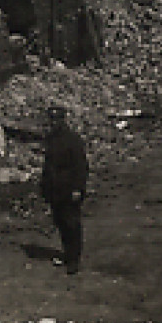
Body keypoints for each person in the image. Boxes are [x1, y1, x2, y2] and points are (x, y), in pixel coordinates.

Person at [40, 105, 89, 274]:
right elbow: (48, 166)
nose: (52, 123)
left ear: (62, 120)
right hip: (55, 188)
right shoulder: (51, 139)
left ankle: (74, 259)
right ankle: (67, 254)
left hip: (69, 188)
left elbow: (81, 166)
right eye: (50, 119)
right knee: (60, 222)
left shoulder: (72, 140)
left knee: (71, 223)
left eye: (56, 119)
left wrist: (77, 188)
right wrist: (44, 186)